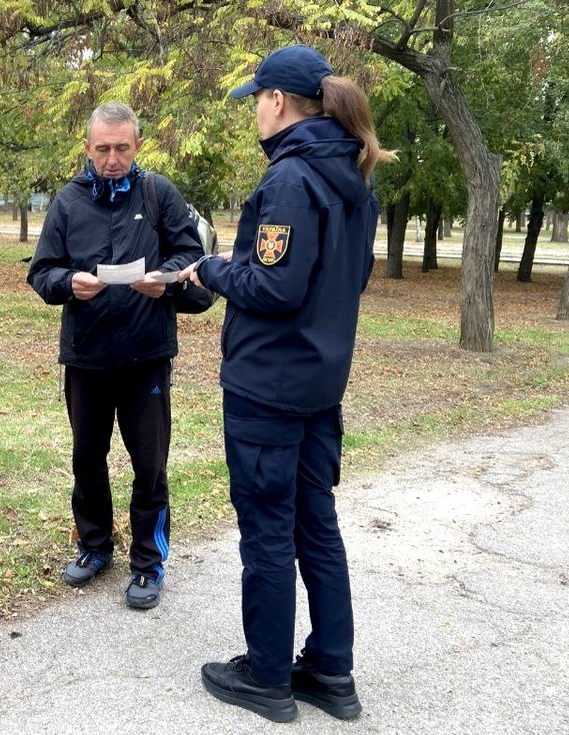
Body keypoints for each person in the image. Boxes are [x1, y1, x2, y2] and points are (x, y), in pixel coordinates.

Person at [180, 45, 392, 722]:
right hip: (318, 385)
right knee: (316, 526)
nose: (254, 112)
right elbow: (348, 282)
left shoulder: (292, 180)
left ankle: (268, 675)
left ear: (276, 100)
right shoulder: (352, 177)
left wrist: (212, 271)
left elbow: (273, 285)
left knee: (269, 530)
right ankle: (331, 670)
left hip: (268, 387)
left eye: (256, 100)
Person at [27, 101, 205, 610]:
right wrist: (67, 283)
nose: (111, 158)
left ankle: (148, 564)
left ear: (137, 146)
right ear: (88, 148)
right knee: (88, 459)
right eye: (102, 149)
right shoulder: (68, 200)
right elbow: (41, 272)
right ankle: (94, 546)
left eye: (121, 148)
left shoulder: (159, 193)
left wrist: (165, 282)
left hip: (146, 356)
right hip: (86, 358)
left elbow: (191, 257)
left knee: (149, 465)